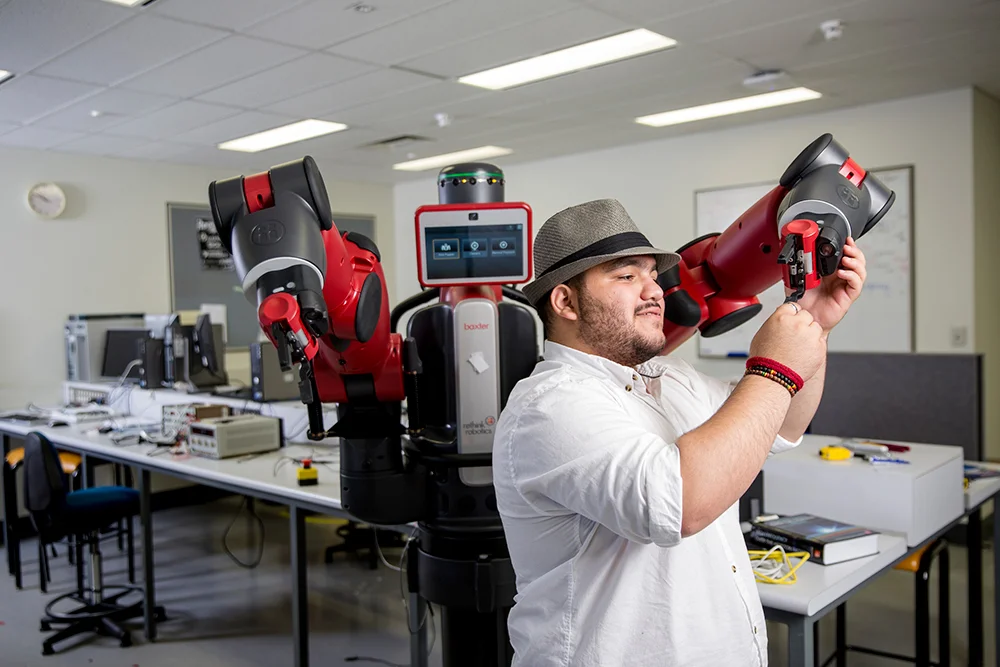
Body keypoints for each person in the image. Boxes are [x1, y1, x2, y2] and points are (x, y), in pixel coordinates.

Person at [493, 198, 867, 666]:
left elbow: (780, 422)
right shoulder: (549, 405)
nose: (655, 291)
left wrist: (814, 322)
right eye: (627, 276)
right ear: (565, 301)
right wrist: (772, 368)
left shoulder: (670, 377)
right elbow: (679, 504)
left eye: (653, 275)